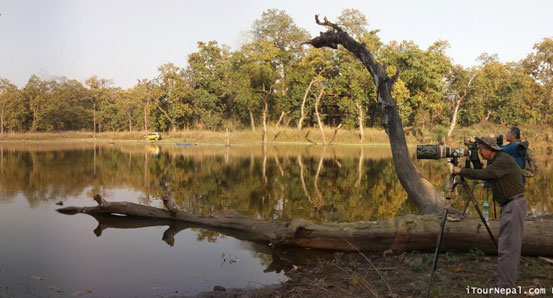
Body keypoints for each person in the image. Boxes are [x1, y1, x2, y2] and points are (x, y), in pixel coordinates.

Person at [452, 136, 526, 288]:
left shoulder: (502, 161)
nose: (479, 152)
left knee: (508, 247)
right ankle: (506, 280)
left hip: (514, 205)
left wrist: (461, 171)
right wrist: (474, 162)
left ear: (488, 149)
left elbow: (483, 175)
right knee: (507, 245)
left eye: (480, 149)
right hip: (510, 205)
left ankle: (505, 286)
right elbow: (483, 172)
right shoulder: (497, 160)